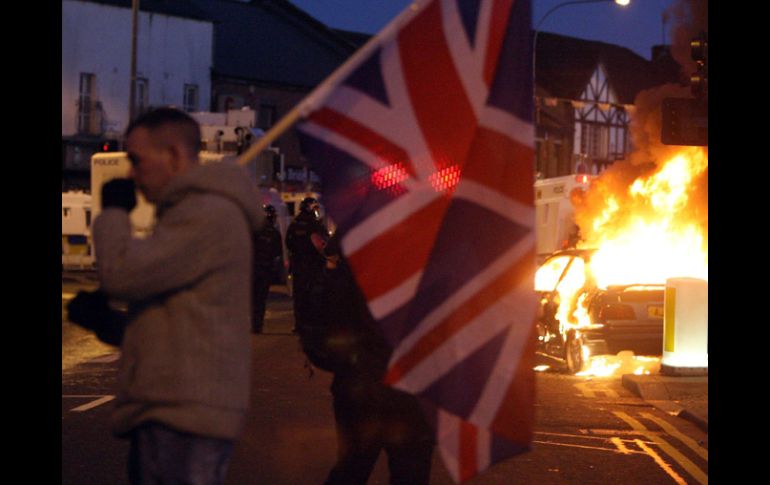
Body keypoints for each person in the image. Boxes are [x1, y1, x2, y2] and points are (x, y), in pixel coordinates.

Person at [87, 107, 264, 485]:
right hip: (179, 409)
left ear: (173, 154)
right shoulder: (195, 211)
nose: (131, 174)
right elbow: (184, 314)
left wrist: (113, 214)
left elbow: (123, 274)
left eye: (137, 160)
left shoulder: (207, 213)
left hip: (185, 414)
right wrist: (115, 326)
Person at [301, 236, 435, 485]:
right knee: (410, 471)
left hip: (359, 386)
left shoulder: (351, 252)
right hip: (410, 386)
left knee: (351, 469)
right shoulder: (427, 252)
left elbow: (319, 327)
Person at [285, 196, 328, 332]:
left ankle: (299, 324)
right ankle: (310, 325)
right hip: (312, 265)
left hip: (298, 264)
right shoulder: (314, 224)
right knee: (313, 295)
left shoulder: (294, 223)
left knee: (299, 295)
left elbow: (288, 242)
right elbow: (322, 245)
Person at [252, 204, 284, 333]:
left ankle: (254, 323)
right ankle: (257, 324)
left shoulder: (254, 231)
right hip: (265, 269)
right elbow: (277, 254)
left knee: (253, 297)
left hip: (254, 269)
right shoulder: (274, 233)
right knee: (261, 298)